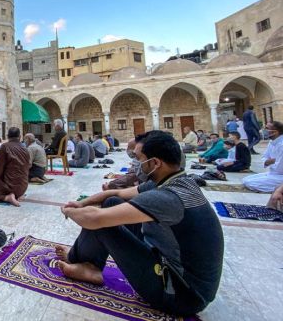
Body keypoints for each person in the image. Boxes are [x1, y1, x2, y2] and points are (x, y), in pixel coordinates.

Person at [56, 131, 224, 316]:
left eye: (138, 158)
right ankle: (91, 266)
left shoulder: (167, 197)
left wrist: (69, 211)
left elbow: (95, 219)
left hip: (181, 294)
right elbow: (115, 194)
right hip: (172, 266)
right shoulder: (174, 182)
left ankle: (76, 259)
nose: (135, 162)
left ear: (155, 163)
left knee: (102, 223)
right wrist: (82, 203)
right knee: (112, 204)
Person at [243, 121, 283, 192]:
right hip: (272, 173)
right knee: (246, 179)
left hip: (280, 175)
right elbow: (265, 157)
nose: (264, 130)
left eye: (267, 128)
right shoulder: (271, 142)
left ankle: (279, 190)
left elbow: (279, 168)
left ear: (275, 132)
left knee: (251, 183)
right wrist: (272, 161)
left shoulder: (281, 144)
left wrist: (271, 162)